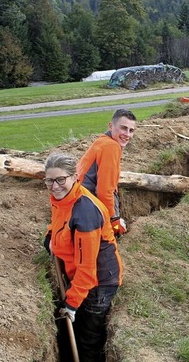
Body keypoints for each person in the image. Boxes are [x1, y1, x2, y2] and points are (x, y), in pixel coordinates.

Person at [43, 152, 123, 361]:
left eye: (61, 179)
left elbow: (88, 270)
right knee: (77, 330)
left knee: (88, 340)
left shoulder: (85, 211)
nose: (55, 186)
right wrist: (49, 238)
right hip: (79, 275)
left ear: (74, 177)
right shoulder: (62, 199)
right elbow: (58, 221)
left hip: (99, 283)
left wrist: (71, 304)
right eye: (49, 180)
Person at [77, 109, 137, 236]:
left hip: (80, 201)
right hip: (87, 206)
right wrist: (114, 220)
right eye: (123, 128)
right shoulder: (111, 147)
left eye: (131, 130)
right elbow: (104, 191)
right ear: (111, 126)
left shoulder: (103, 140)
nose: (127, 134)